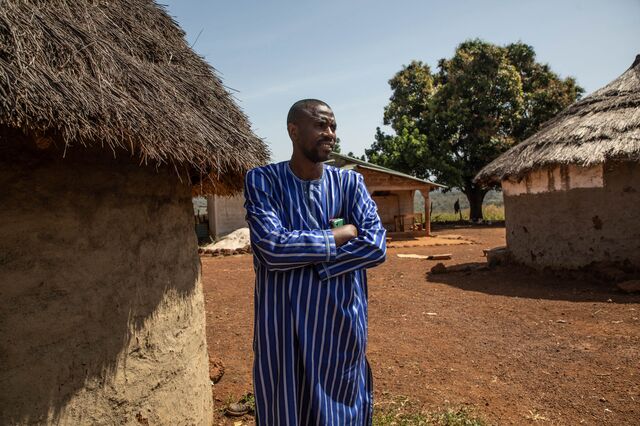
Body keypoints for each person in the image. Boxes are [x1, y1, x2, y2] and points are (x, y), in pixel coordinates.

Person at [244, 99, 387, 425]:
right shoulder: (263, 181)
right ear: (294, 131)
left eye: (333, 126)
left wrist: (317, 264)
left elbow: (376, 246)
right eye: (321, 125)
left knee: (343, 411)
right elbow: (271, 247)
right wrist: (338, 235)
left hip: (338, 328)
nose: (330, 133)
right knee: (286, 410)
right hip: (282, 329)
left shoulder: (350, 184)